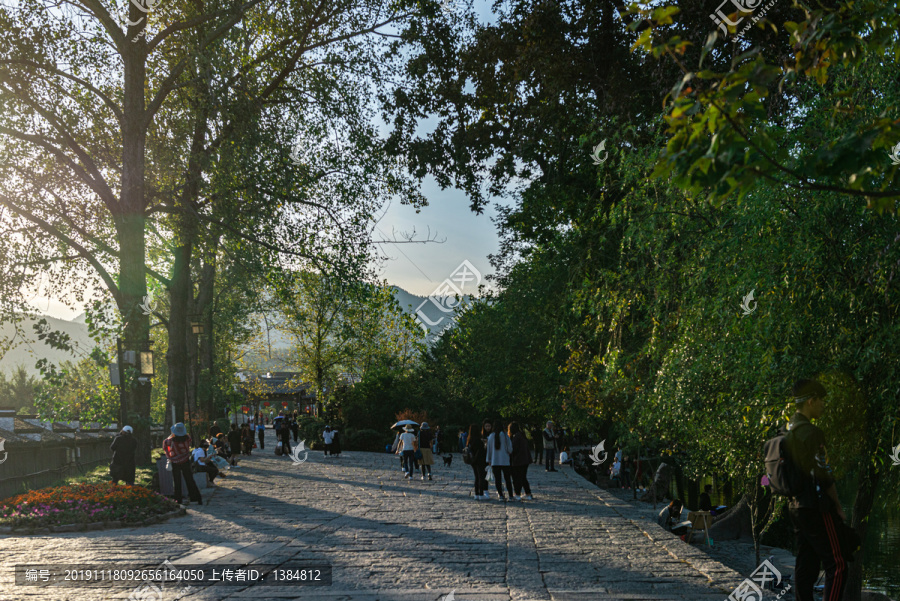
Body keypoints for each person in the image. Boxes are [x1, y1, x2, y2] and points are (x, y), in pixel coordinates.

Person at [786, 378, 848, 601]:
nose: (823, 405)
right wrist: (838, 508)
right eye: (821, 400)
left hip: (795, 507)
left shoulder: (786, 432)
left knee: (806, 565)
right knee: (838, 565)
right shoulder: (813, 434)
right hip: (815, 508)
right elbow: (825, 475)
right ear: (811, 401)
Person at [163, 423, 202, 506]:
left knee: (177, 481)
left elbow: (165, 445)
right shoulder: (187, 439)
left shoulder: (170, 441)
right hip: (185, 461)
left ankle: (178, 499)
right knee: (190, 480)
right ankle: (195, 497)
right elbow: (189, 442)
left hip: (175, 462)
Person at [486, 420, 515, 500]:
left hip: (495, 461)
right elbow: (510, 449)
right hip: (505, 461)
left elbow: (489, 450)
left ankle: (501, 495)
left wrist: (489, 460)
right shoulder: (505, 436)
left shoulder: (491, 436)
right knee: (507, 479)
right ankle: (511, 495)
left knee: (498, 480)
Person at [508, 422, 533, 500]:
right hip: (525, 460)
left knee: (518, 478)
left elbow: (513, 449)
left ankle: (517, 493)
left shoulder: (516, 437)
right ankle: (528, 493)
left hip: (519, 461)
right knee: (523, 477)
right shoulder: (522, 435)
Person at [467, 422, 488, 499]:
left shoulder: (469, 440)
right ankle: (481, 494)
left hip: (473, 461)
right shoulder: (478, 440)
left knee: (476, 477)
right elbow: (482, 451)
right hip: (480, 460)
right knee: (481, 477)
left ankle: (476, 494)